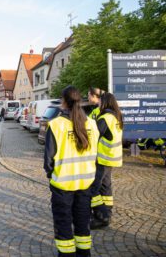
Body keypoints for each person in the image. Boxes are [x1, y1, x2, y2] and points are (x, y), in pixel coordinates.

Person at [44, 85, 99, 256]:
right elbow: (95, 154)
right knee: (83, 224)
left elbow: (48, 161)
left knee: (63, 225)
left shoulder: (56, 125)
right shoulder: (92, 124)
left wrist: (51, 175)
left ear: (63, 102)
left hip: (62, 185)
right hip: (86, 184)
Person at [90, 92, 123, 229]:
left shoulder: (105, 118)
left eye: (100, 101)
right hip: (112, 157)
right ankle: (107, 213)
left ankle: (102, 215)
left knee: (93, 188)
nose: (98, 103)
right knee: (106, 186)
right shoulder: (117, 117)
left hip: (103, 158)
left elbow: (93, 137)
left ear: (105, 102)